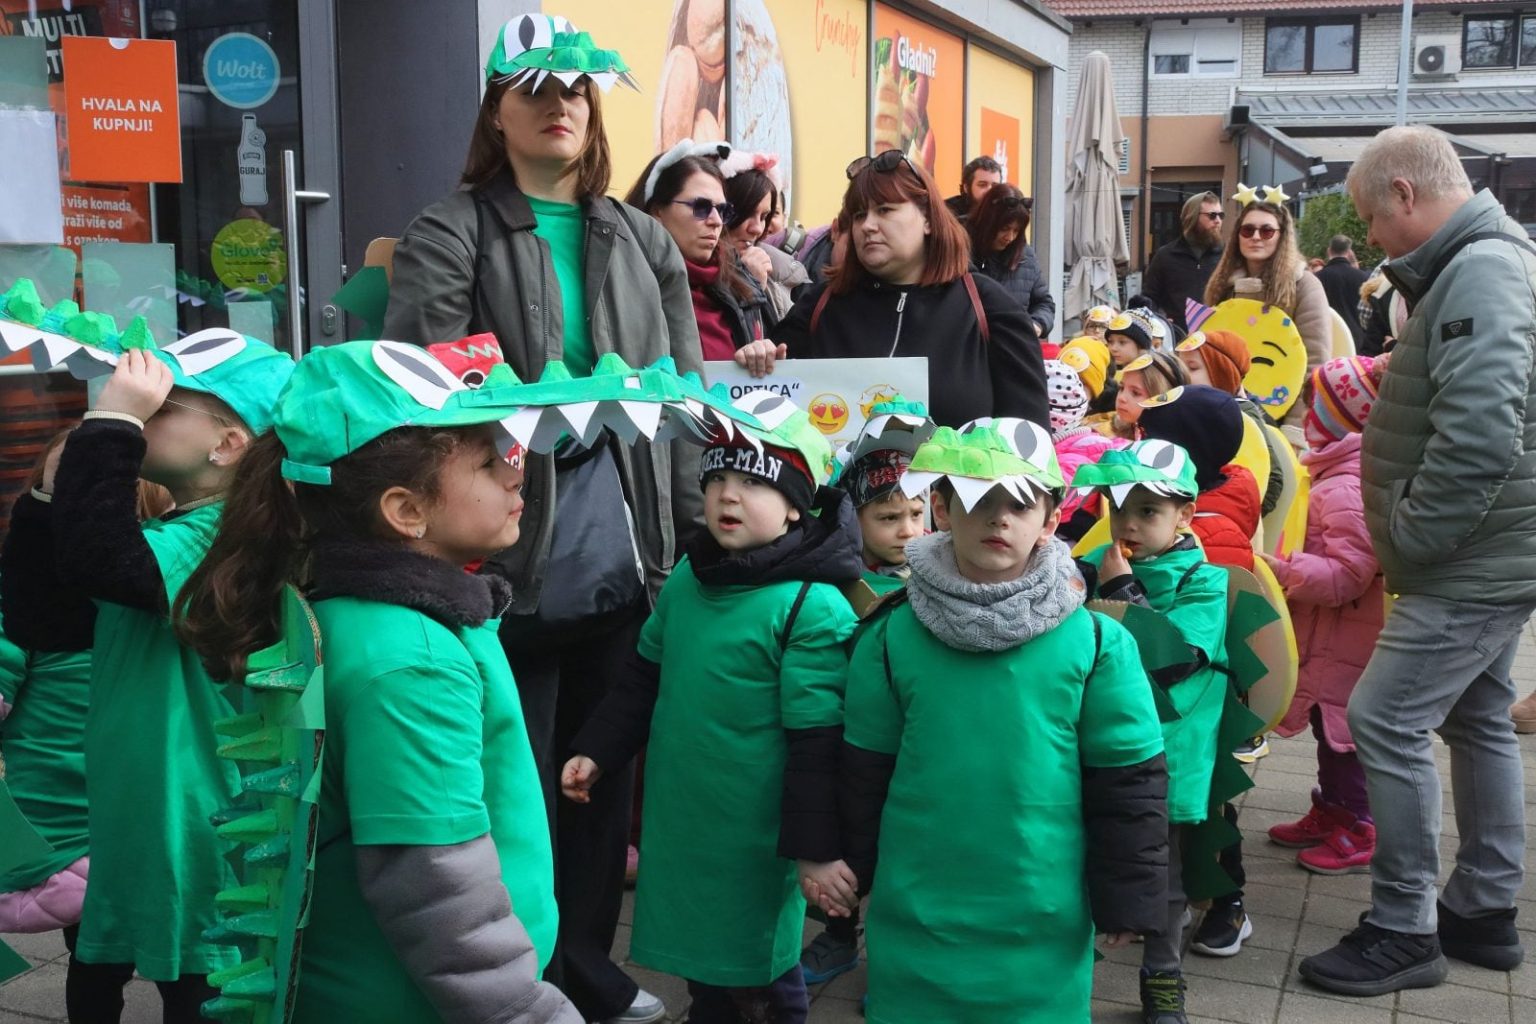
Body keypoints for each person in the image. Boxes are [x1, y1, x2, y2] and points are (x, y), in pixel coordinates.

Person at [173, 341, 652, 1023]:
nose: (516, 473)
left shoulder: (360, 614)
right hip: (421, 1000)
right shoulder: (413, 662)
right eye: (487, 461)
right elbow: (435, 885)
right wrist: (525, 1009)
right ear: (406, 512)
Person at [380, 18, 697, 1020]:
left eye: (575, 90)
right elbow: (424, 393)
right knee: (506, 781)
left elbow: (685, 405)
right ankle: (521, 967)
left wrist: (689, 542)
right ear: (497, 111)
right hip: (499, 548)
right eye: (533, 89)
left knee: (597, 777)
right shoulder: (451, 229)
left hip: (626, 545)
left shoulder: (642, 236)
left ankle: (584, 965)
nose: (558, 105)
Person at [0, 313, 293, 1022]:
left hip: (195, 819)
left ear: (229, 445)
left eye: (160, 407)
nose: (137, 410)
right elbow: (49, 619)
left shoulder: (220, 539)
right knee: (98, 966)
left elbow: (101, 560)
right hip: (134, 814)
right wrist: (52, 494)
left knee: (197, 985)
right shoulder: (171, 533)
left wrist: (111, 428)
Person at [1300, 125, 1536, 997]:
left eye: (1371, 216)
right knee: (1477, 718)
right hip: (1489, 551)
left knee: (1384, 718)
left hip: (1468, 561)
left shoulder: (1481, 270)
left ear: (1405, 192)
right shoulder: (1483, 263)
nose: (1369, 237)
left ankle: (1404, 928)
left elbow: (1478, 435)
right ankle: (1483, 907)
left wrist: (1410, 533)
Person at [835, 420, 1168, 1022]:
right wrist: (849, 871)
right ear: (941, 508)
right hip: (918, 915)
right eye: (978, 499)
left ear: (1051, 520)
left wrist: (1128, 895)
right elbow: (862, 769)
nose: (998, 518)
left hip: (1043, 919)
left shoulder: (1098, 644)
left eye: (1019, 503)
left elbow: (1129, 782)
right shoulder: (889, 637)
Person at [561, 393, 863, 1022]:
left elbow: (818, 744)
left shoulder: (809, 606)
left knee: (761, 972)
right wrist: (597, 749)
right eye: (718, 478)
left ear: (795, 506)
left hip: (758, 831)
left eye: (754, 482)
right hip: (687, 819)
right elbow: (643, 677)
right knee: (708, 967)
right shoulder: (690, 579)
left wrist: (813, 848)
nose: (729, 495)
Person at [0, 434, 172, 995]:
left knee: (95, 952)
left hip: (59, 821)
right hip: (120, 811)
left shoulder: (24, 600)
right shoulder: (158, 589)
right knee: (162, 951)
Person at [1074, 441, 1231, 1024]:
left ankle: (1163, 978)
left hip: (1165, 756)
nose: (1129, 525)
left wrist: (1122, 592)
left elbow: (1175, 659)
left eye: (1148, 511)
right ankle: (1067, 971)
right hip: (1096, 745)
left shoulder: (1204, 581)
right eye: (1119, 509)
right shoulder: (1090, 565)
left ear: (1184, 515)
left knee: (1159, 873)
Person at [734, 150, 1049, 430]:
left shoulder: (988, 307)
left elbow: (1029, 442)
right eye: (859, 215)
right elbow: (773, 412)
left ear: (928, 219)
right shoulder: (820, 305)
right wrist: (759, 359)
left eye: (885, 210)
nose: (867, 226)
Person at [1263, 356, 1384, 876]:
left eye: (1315, 405)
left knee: (1343, 738)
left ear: (1337, 417)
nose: (1306, 414)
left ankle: (1360, 827)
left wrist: (1286, 569)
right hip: (1330, 634)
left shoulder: (1343, 486)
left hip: (1345, 638)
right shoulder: (1334, 473)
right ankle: (1332, 811)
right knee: (1326, 728)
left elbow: (1350, 575)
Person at [629, 141, 773, 358]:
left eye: (722, 210)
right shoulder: (625, 284)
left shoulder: (740, 284)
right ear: (657, 211)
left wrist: (758, 356)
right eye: (701, 207)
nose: (716, 221)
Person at [1203, 188, 1331, 428]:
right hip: (1225, 414)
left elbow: (1315, 364)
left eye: (1267, 230)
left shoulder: (1304, 285)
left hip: (1282, 417)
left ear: (1282, 236)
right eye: (1247, 230)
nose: (1256, 237)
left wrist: (1294, 427)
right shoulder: (1222, 285)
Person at [719, 150, 808, 323]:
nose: (758, 229)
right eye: (746, 213)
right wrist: (748, 288)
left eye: (764, 217)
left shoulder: (776, 273)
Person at [967, 183, 1056, 342]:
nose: (1010, 237)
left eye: (1016, 231)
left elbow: (1044, 303)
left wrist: (1037, 325)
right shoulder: (960, 252)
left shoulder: (1026, 256)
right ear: (988, 222)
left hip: (1013, 346)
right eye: (1004, 228)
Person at [1142, 192, 1224, 333]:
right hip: (1178, 338)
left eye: (1221, 215)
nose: (1218, 221)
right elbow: (1149, 298)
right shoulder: (1165, 256)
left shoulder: (1226, 256)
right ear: (1192, 218)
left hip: (1218, 338)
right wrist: (1158, 321)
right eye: (1212, 215)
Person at [1094, 349, 1187, 441]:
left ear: (1160, 397)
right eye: (1122, 388)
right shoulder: (1105, 434)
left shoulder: (1170, 444)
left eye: (1135, 393)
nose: (1121, 398)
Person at [1315, 235, 1370, 344]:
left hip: (1327, 336)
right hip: (1357, 338)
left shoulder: (1318, 278)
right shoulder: (1363, 277)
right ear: (1349, 252)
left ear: (1329, 251)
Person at [943, 154, 1002, 223]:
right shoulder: (946, 211)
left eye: (995, 186)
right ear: (966, 188)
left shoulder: (1005, 209)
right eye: (982, 185)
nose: (989, 191)